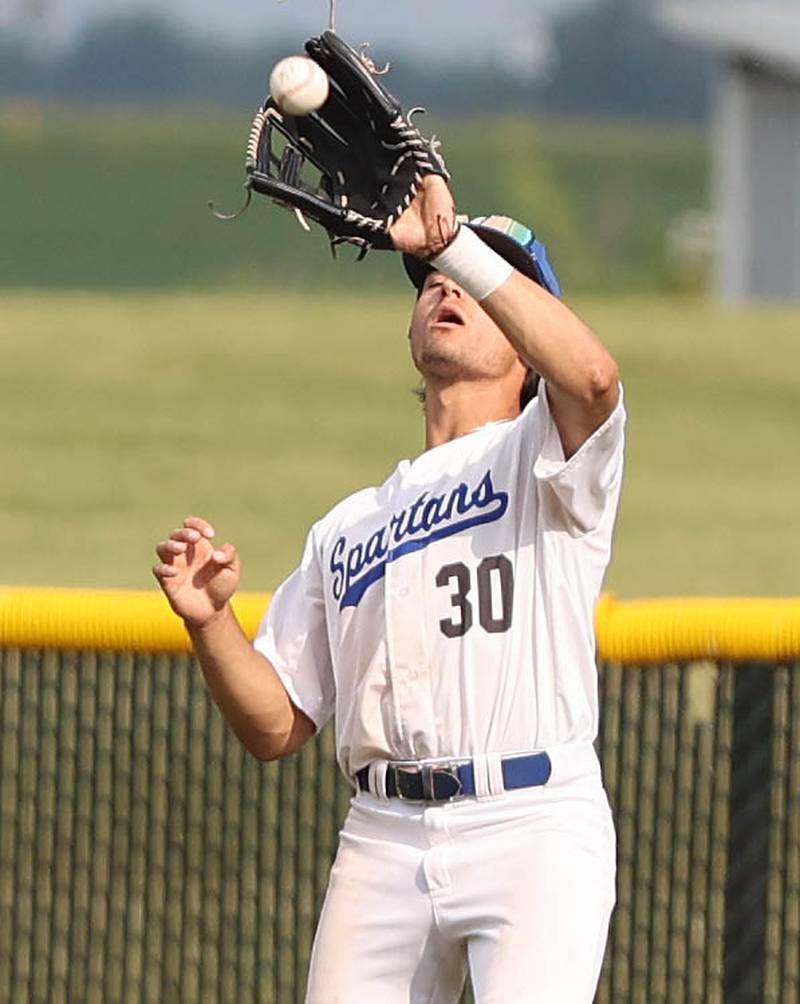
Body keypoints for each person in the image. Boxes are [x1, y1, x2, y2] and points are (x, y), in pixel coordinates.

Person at [153, 174, 625, 1004]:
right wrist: (211, 623)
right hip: (383, 837)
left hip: (532, 823)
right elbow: (275, 725)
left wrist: (454, 245)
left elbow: (590, 376)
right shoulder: (349, 525)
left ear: (524, 342)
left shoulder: (548, 460)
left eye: (480, 280)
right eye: (435, 281)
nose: (449, 286)